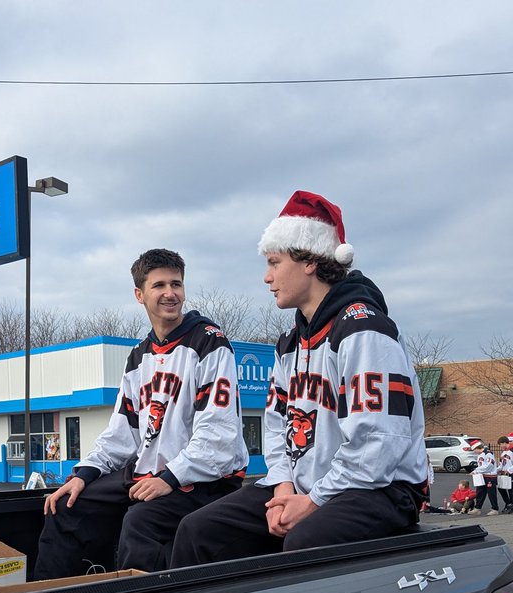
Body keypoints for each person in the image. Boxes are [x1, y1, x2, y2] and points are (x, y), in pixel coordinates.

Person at [171, 191, 430, 566]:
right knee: (198, 530)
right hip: (308, 485)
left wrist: (312, 501)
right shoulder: (290, 343)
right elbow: (278, 427)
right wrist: (283, 488)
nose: (267, 277)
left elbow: (378, 445)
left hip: (381, 488)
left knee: (303, 543)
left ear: (309, 260)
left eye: (275, 262)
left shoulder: (364, 329)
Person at [35, 248, 248, 578]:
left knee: (140, 521)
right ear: (140, 294)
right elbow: (122, 434)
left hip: (206, 480)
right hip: (150, 473)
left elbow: (219, 437)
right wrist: (84, 474)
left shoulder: (210, 343)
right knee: (65, 506)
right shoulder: (139, 356)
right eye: (159, 285)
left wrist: (170, 478)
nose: (170, 293)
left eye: (176, 284)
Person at [469, 441, 501, 515]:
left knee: (491, 493)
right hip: (482, 476)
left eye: (474, 450)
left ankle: (495, 509)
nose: (474, 452)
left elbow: (489, 465)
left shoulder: (488, 453)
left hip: (490, 476)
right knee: (479, 492)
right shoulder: (480, 455)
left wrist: (476, 470)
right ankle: (477, 508)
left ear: (477, 448)